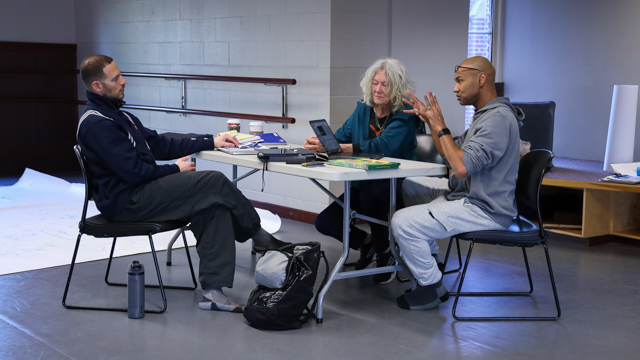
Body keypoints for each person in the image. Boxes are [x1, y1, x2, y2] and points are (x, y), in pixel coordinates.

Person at [76, 54, 287, 313]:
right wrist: (176, 168)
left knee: (213, 205)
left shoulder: (121, 116)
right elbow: (134, 173)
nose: (124, 81)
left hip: (141, 192)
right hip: (126, 203)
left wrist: (211, 140)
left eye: (121, 74)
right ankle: (259, 236)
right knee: (213, 181)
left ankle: (213, 292)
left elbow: (160, 144)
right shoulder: (96, 124)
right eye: (116, 78)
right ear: (97, 86)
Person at [391, 56, 523, 310]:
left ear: (481, 79)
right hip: (468, 194)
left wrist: (441, 125)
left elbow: (460, 168)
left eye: (460, 81)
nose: (455, 88)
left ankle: (431, 287)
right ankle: (430, 261)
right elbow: (449, 153)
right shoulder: (485, 116)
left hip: (485, 208)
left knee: (403, 222)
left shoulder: (497, 120)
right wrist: (432, 121)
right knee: (409, 185)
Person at [304, 58, 419, 284]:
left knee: (370, 195)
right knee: (325, 223)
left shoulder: (406, 114)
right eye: (375, 83)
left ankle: (384, 252)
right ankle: (370, 245)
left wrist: (340, 148)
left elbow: (381, 147)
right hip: (364, 182)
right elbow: (341, 137)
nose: (378, 89)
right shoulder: (363, 110)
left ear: (396, 87)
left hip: (395, 184)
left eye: (385, 84)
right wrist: (322, 143)